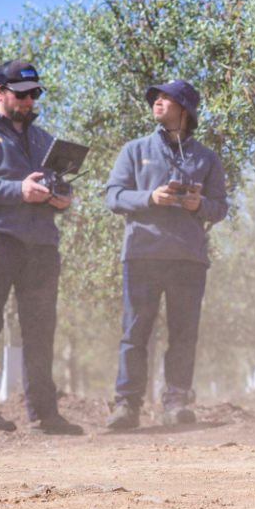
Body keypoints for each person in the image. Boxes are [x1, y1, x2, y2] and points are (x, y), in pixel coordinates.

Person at [0, 60, 82, 434]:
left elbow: (54, 182)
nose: (28, 101)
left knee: (40, 329)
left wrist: (62, 196)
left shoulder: (43, 140)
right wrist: (17, 190)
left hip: (41, 244)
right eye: (21, 94)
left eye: (34, 93)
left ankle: (45, 415)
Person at [103, 79, 228, 429]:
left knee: (184, 334)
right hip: (143, 254)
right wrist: (149, 197)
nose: (157, 102)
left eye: (165, 98)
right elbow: (113, 196)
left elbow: (220, 208)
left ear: (184, 108)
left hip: (188, 259)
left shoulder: (207, 157)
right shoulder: (134, 149)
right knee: (135, 333)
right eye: (154, 98)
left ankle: (176, 404)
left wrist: (198, 204)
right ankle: (126, 406)